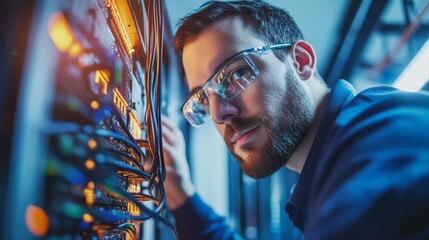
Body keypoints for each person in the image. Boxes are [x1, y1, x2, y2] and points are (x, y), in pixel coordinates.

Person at [161, 1, 429, 239]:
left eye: (238, 72)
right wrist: (184, 197)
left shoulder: (383, 128)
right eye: (204, 99)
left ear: (301, 62)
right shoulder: (321, 185)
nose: (218, 113)